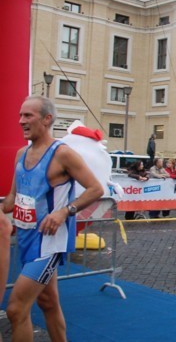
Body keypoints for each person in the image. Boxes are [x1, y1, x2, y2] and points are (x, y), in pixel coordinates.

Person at [1, 96, 103, 341]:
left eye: (28, 116)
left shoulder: (63, 154)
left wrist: (63, 212)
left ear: (47, 119)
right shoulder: (21, 154)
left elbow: (95, 189)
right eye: (20, 115)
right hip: (27, 240)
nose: (21, 121)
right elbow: (12, 199)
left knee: (16, 309)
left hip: (49, 244)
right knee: (48, 301)